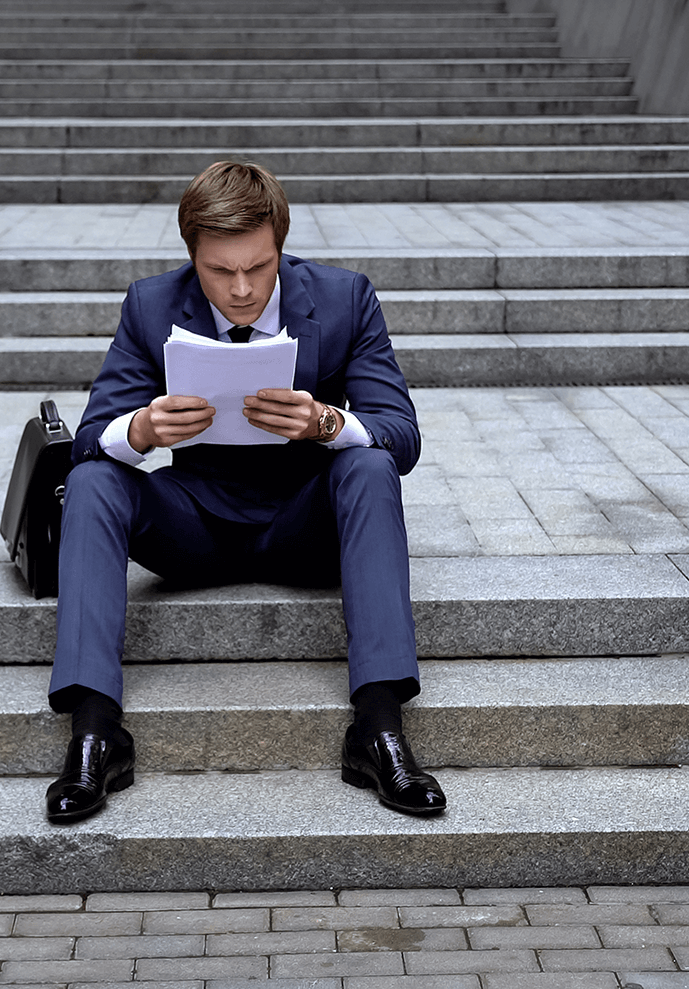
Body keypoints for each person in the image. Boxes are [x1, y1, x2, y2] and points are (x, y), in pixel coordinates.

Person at [45, 161, 446, 822]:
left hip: (305, 524)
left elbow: (403, 437)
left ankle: (377, 729)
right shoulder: (151, 303)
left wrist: (327, 422)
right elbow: (89, 439)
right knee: (92, 478)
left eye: (257, 269)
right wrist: (140, 428)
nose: (239, 289)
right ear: (191, 257)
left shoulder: (346, 298)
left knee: (369, 465)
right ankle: (95, 733)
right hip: (192, 525)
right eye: (218, 271)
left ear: (280, 248)